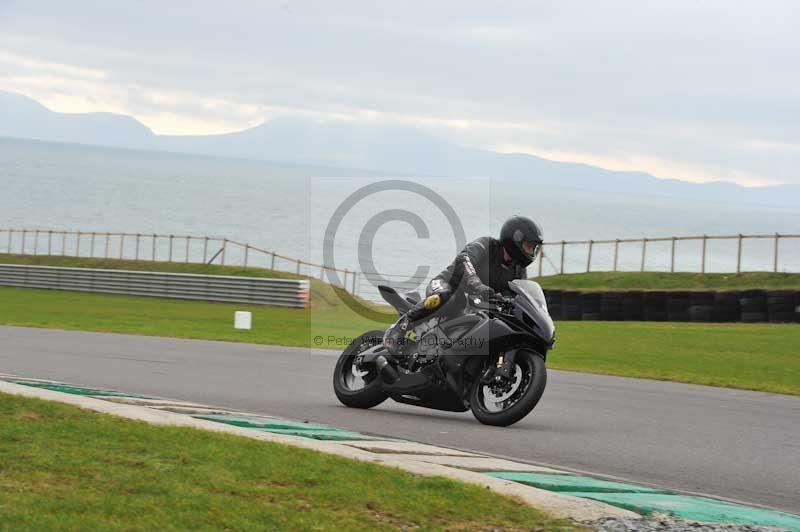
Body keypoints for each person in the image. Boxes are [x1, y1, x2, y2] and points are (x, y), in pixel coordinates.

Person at [383, 215, 543, 355]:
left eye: (534, 248)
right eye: (529, 246)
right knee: (449, 297)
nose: (532, 252)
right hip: (446, 285)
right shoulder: (487, 245)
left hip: (475, 304)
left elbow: (518, 294)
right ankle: (400, 327)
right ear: (515, 240)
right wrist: (477, 285)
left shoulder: (518, 270)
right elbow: (464, 259)